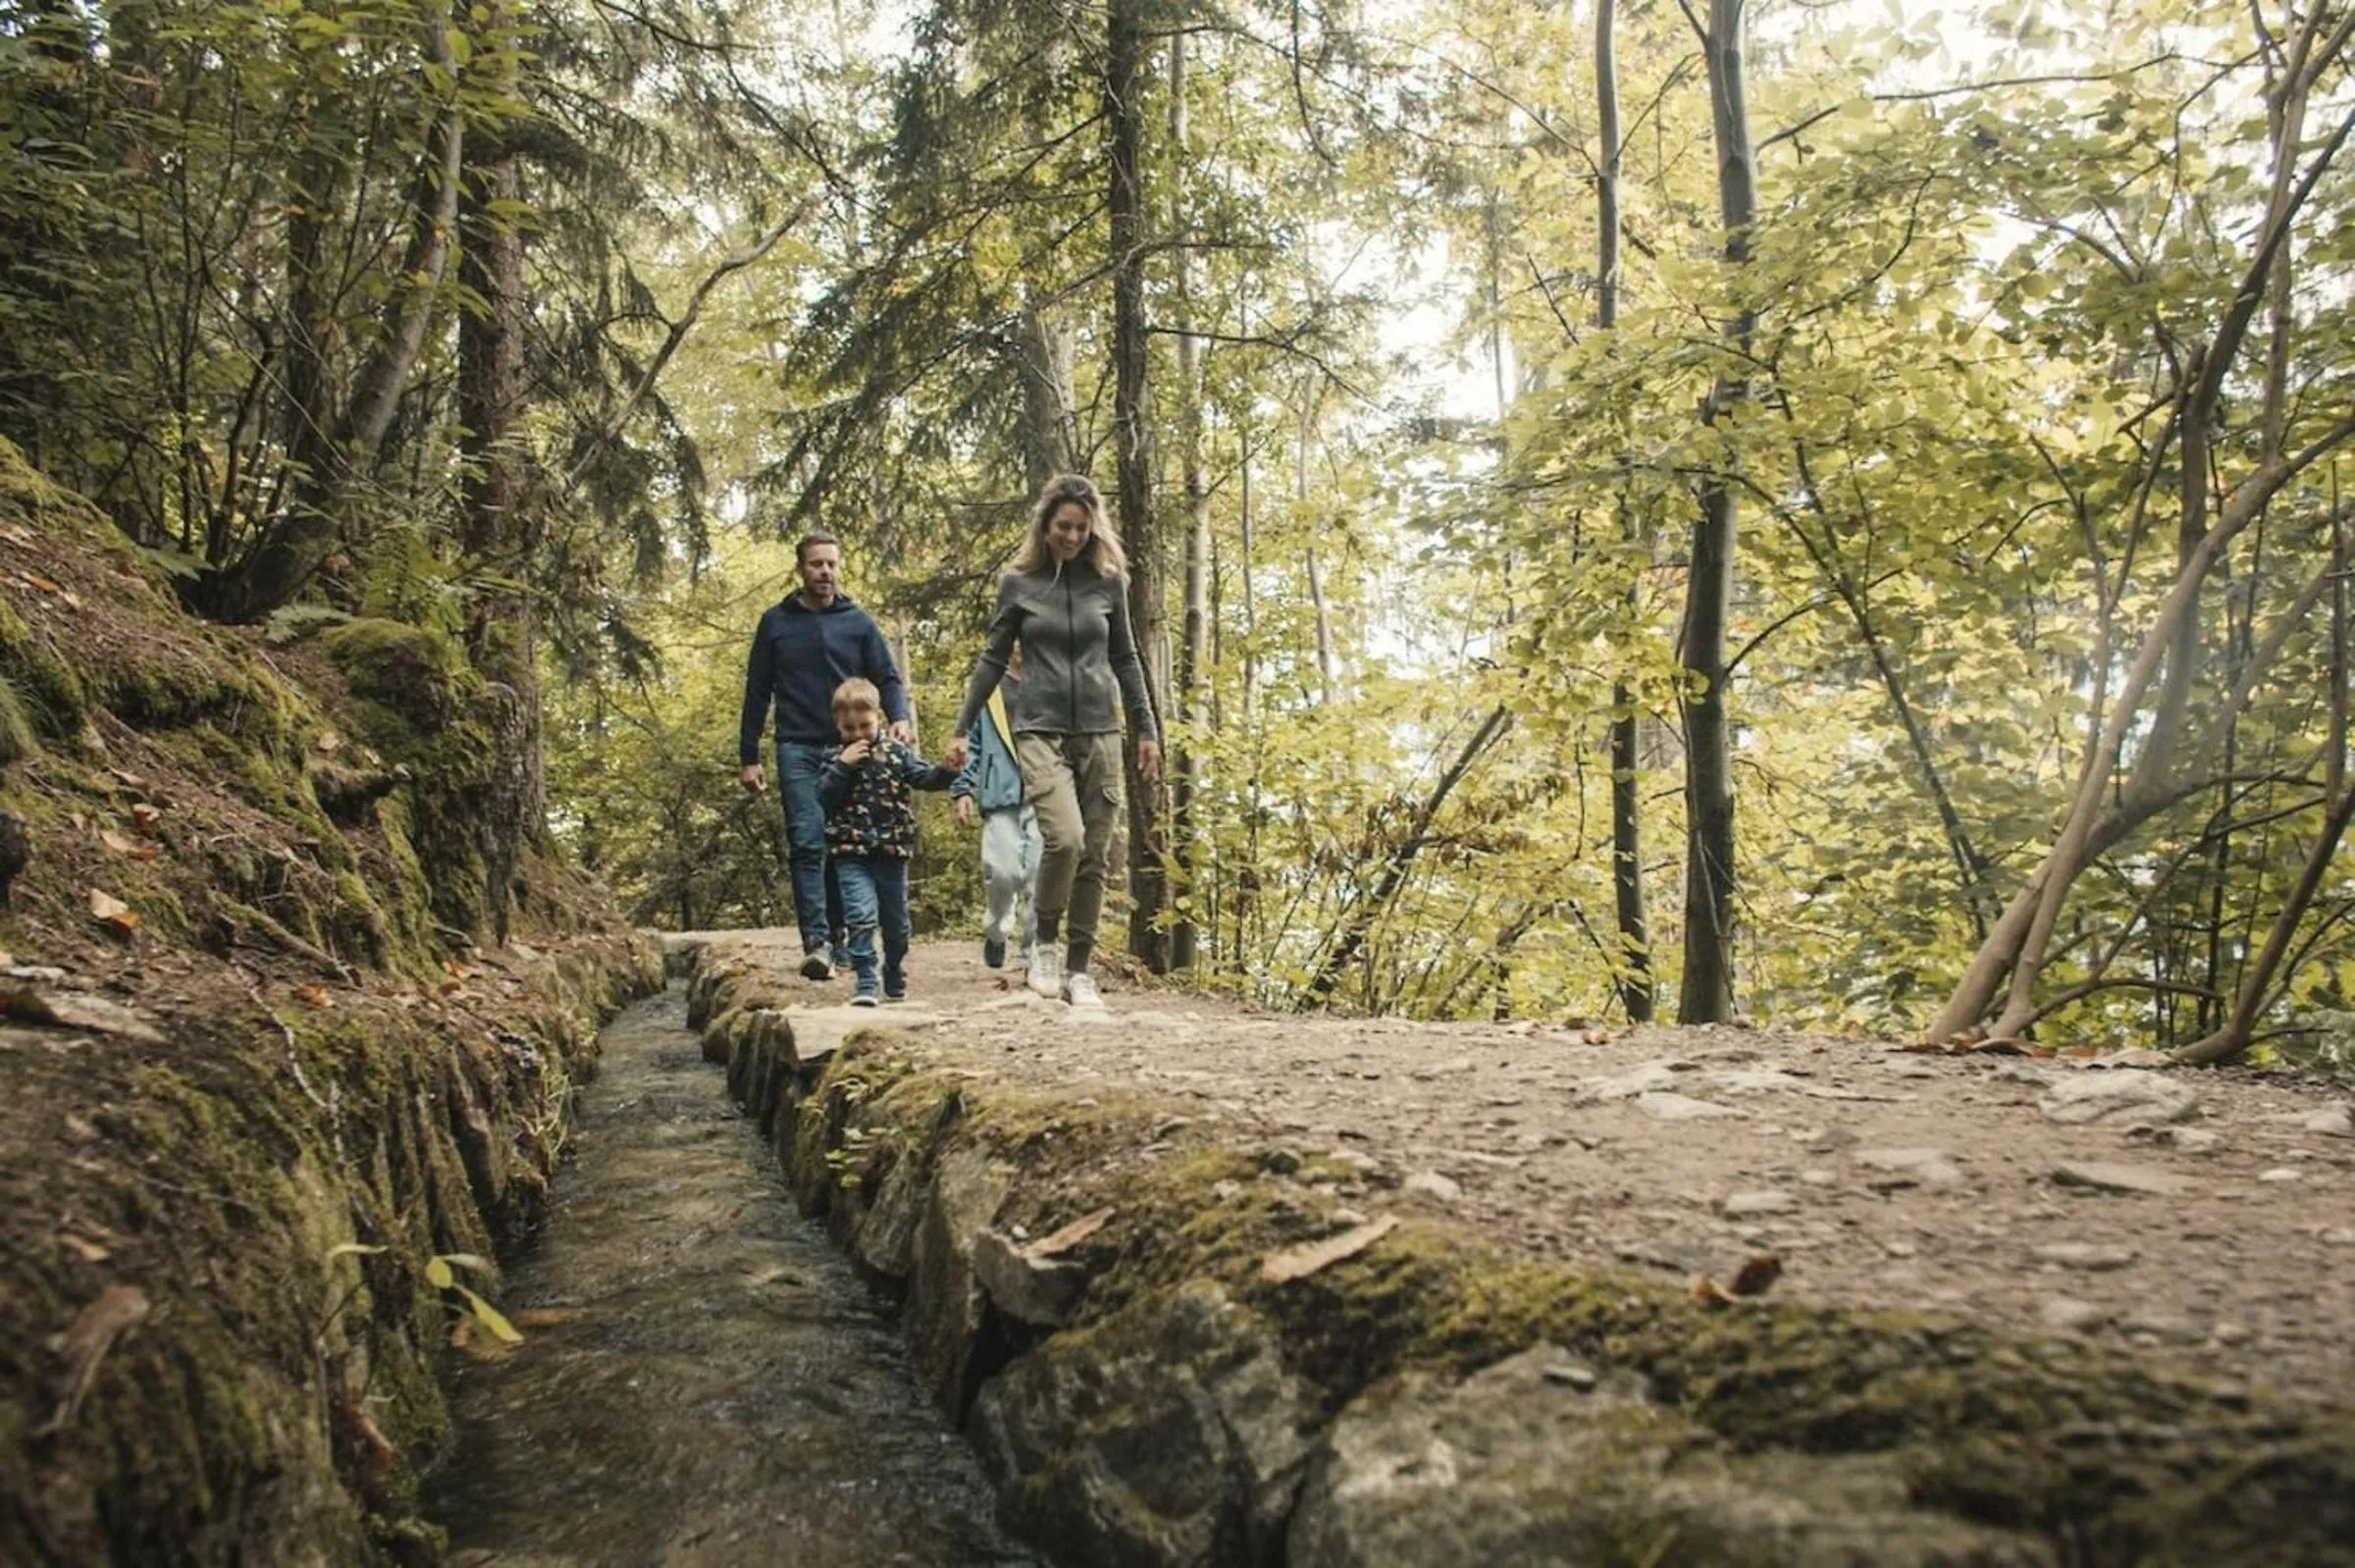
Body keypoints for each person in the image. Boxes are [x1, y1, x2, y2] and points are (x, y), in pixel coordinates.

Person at [944, 473, 1160, 1010]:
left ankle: (1080, 969)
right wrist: (961, 728)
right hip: (1039, 729)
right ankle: (1043, 944)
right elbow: (994, 657)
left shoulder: (1109, 583)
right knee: (1063, 837)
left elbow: (1126, 659)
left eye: (1082, 529)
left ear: (1093, 529)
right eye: (1063, 526)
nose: (1071, 536)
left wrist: (1147, 727)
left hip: (1100, 730)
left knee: (1094, 853)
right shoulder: (1019, 583)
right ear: (1046, 524)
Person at [738, 533, 910, 981]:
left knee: (842, 843)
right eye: (816, 564)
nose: (825, 572)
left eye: (832, 563)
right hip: (796, 746)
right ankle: (816, 943)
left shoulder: (857, 622)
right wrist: (749, 755)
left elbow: (887, 677)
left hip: (849, 748)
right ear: (801, 569)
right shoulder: (775, 623)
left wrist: (900, 718)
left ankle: (842, 939)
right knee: (807, 841)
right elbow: (757, 691)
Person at [816, 679, 957, 1005]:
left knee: (896, 923)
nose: (858, 734)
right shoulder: (832, 757)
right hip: (850, 852)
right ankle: (866, 978)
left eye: (865, 726)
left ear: (878, 717)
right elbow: (822, 797)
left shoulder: (896, 753)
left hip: (891, 851)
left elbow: (924, 778)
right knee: (860, 916)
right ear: (837, 725)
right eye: (849, 728)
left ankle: (893, 967)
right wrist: (842, 766)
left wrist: (948, 772)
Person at [950, 643, 1043, 970]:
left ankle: (1035, 952)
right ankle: (996, 932)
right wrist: (962, 790)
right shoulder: (988, 689)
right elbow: (970, 745)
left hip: (1043, 793)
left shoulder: (1051, 684)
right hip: (1000, 796)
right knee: (1002, 873)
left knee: (1039, 875)